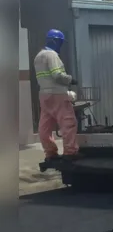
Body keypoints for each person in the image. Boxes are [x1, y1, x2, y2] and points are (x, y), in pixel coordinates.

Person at [34, 29, 80, 162]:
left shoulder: (38, 56)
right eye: (60, 42)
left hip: (44, 95)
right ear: (54, 41)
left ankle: (50, 153)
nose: (61, 45)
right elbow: (57, 75)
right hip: (57, 94)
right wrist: (71, 80)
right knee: (68, 123)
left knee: (45, 126)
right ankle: (70, 153)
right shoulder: (52, 55)